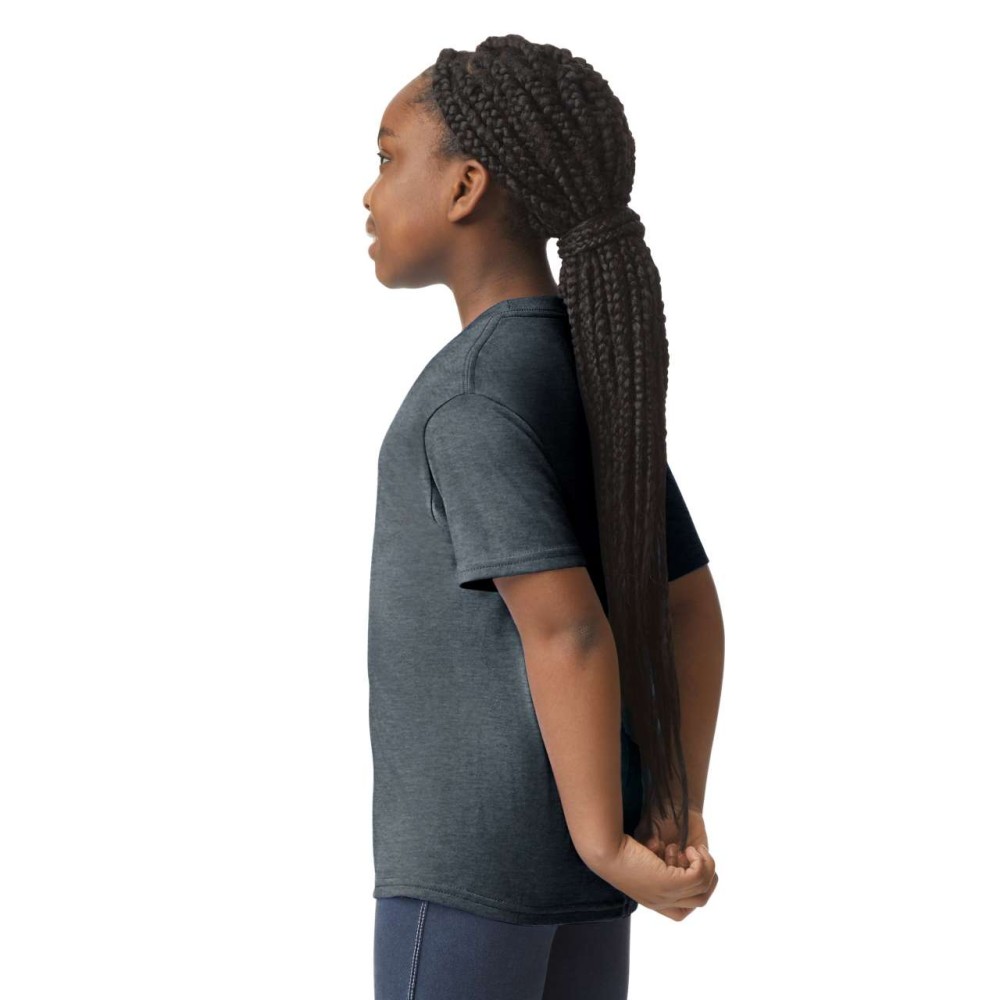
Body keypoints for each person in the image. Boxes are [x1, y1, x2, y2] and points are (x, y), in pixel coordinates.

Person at [362, 34, 725, 1000]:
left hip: (470, 875)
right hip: (584, 876)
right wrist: (668, 808)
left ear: (465, 186)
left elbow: (567, 630)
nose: (369, 192)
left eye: (389, 157)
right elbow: (686, 604)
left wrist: (606, 840)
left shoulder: (469, 399)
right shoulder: (586, 377)